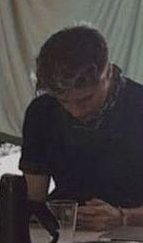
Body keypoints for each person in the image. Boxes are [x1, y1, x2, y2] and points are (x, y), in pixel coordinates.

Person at [20, 25, 143, 230]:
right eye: (64, 101)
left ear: (109, 73)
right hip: (65, 234)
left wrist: (124, 217)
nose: (76, 112)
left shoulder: (138, 106)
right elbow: (34, 201)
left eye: (86, 99)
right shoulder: (42, 112)